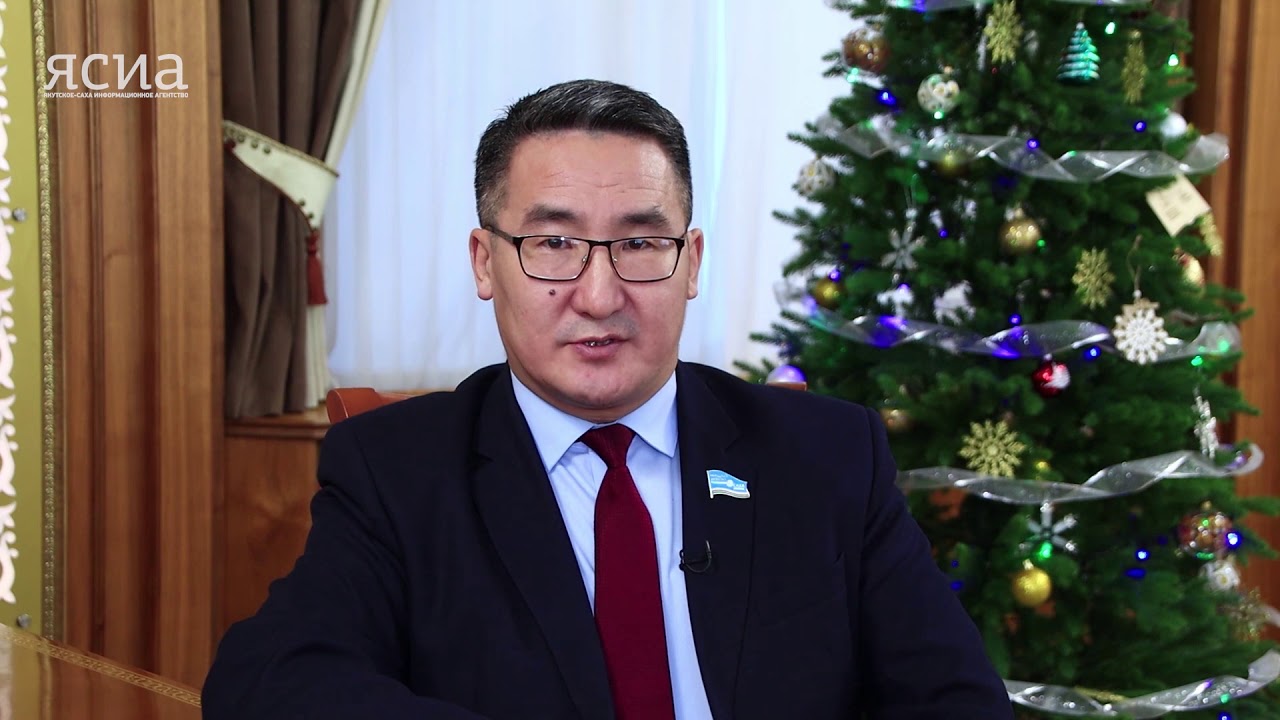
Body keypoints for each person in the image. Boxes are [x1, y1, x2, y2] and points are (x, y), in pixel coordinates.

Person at [203, 79, 1013, 720]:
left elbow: (955, 701)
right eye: (553, 243)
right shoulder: (399, 472)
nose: (598, 294)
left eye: (641, 242)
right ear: (485, 263)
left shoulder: (826, 456)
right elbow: (269, 682)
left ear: (691, 263)